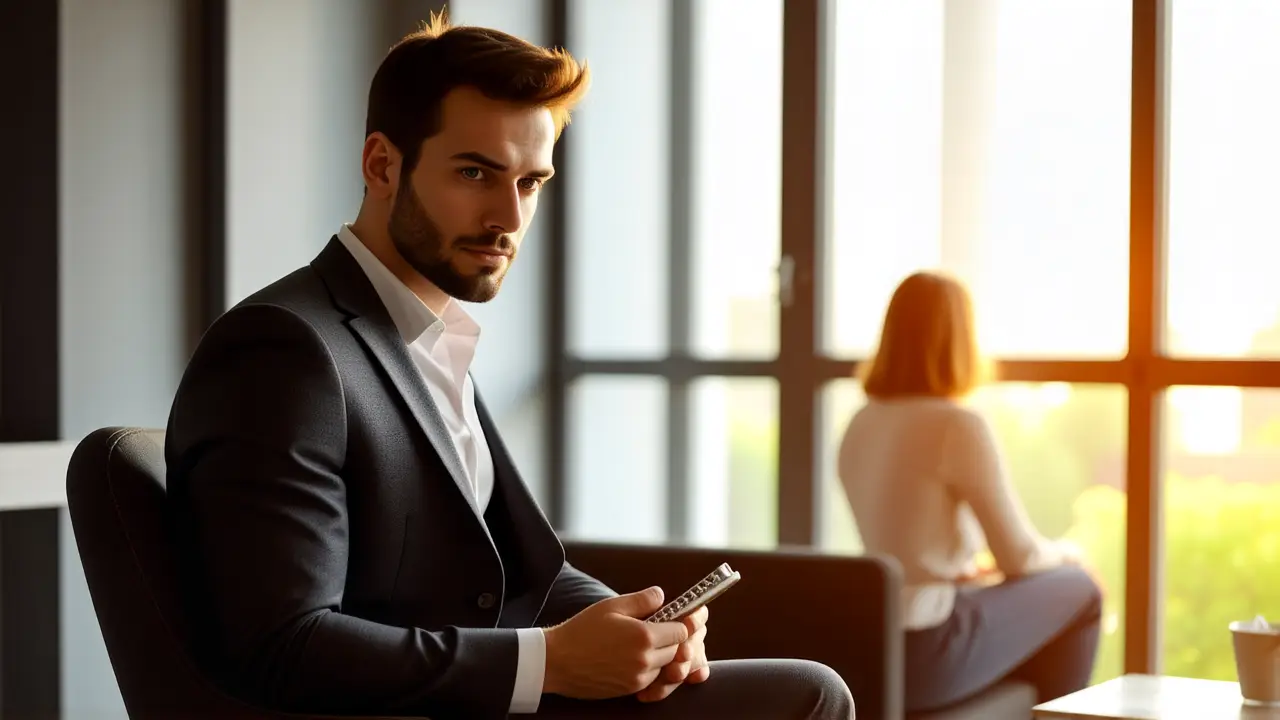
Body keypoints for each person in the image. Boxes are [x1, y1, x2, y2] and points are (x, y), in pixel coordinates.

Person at [165, 13, 854, 720]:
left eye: (530, 182)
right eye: (475, 173)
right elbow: (280, 645)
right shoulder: (283, 351)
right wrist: (551, 661)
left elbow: (525, 575)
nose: (508, 217)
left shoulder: (429, 341)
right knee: (808, 695)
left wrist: (638, 632)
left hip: (479, 696)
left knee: (805, 688)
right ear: (381, 166)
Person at [834, 271, 1102, 713]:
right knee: (1080, 589)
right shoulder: (956, 424)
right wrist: (1069, 554)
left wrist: (953, 567)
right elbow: (1020, 557)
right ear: (960, 340)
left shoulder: (861, 422)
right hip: (927, 649)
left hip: (871, 644)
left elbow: (904, 543)